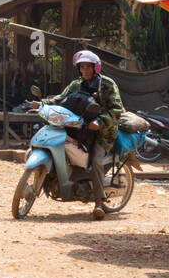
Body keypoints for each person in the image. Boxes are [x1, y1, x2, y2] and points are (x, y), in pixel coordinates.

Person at [33, 49, 124, 220]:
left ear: (96, 68)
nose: (85, 71)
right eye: (82, 67)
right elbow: (60, 99)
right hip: (78, 129)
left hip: (102, 132)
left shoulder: (107, 85)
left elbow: (116, 110)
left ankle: (98, 202)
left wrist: (100, 122)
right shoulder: (76, 84)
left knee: (96, 160)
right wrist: (41, 103)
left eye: (88, 67)